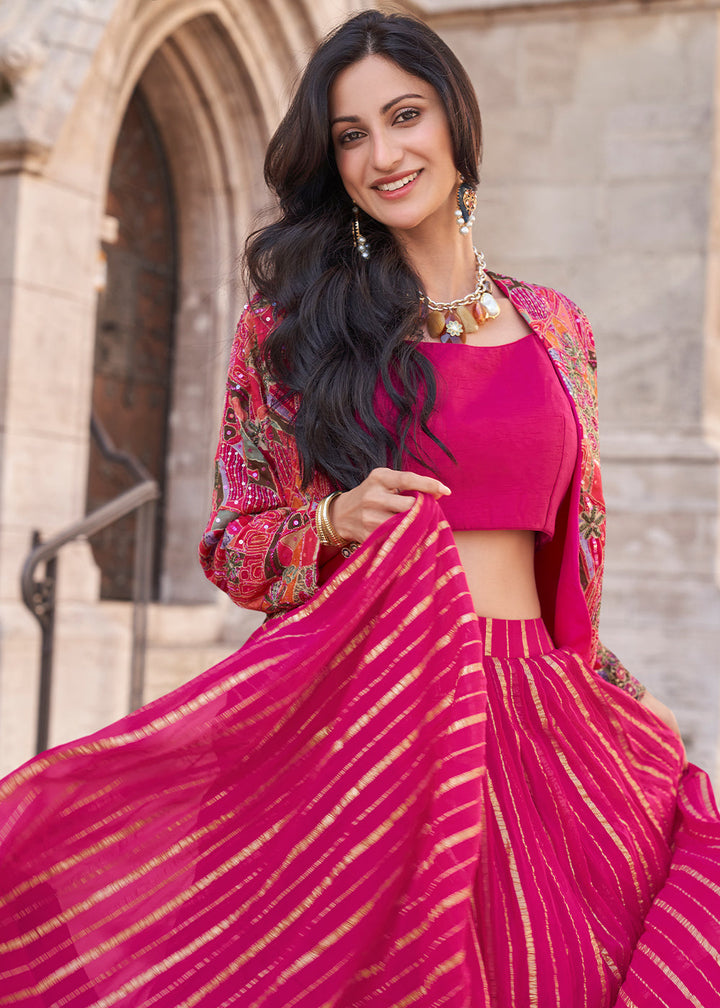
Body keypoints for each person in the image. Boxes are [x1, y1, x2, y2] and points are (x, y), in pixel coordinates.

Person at [0, 10, 719, 1008]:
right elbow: (233, 547)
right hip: (368, 719)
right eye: (350, 135)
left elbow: (570, 562)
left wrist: (617, 690)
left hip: (539, 714)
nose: (383, 154)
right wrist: (332, 524)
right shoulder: (290, 330)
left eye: (404, 116)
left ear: (456, 125)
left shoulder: (560, 330)